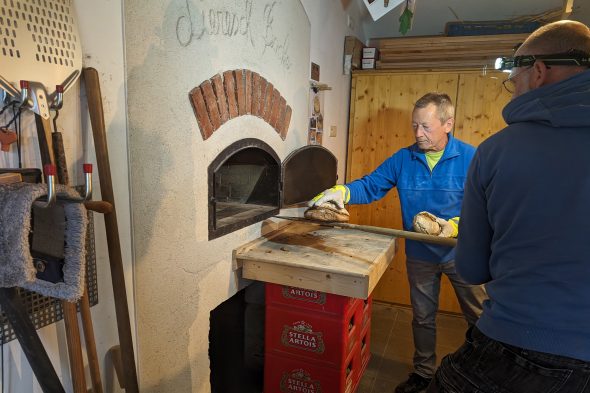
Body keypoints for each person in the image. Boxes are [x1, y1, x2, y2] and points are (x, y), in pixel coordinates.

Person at [428, 20, 590, 392]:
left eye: (512, 80)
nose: (511, 91)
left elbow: (471, 267)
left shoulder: (492, 151)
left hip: (518, 342)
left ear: (537, 72)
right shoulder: (409, 157)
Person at [309, 92, 487, 393]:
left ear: (448, 124)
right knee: (423, 317)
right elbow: (371, 185)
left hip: (463, 252)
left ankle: (484, 373)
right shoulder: (404, 159)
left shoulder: (473, 158)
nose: (418, 133)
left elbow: (489, 203)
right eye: (414, 126)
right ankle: (423, 373)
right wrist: (342, 192)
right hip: (421, 254)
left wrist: (458, 225)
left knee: (480, 318)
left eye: (426, 127)